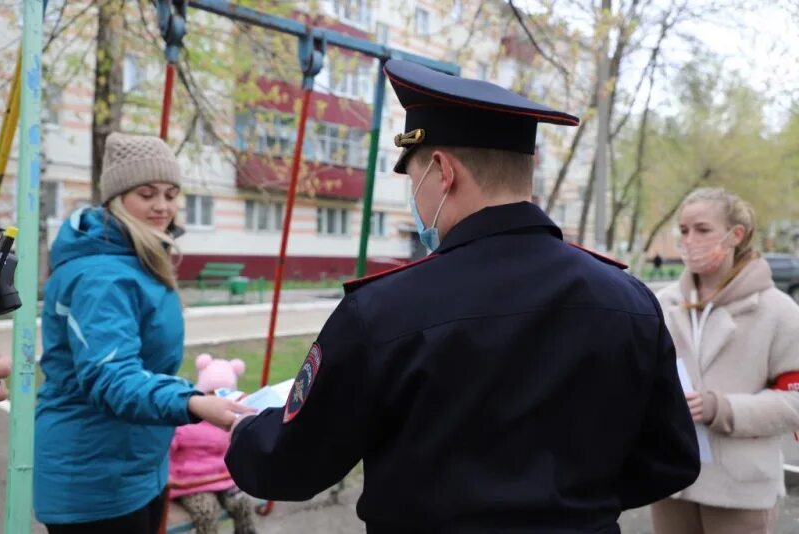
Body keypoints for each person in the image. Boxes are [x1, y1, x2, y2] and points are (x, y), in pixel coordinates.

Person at [226, 60, 700, 533]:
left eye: (413, 179)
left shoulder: (383, 311)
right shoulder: (630, 300)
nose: (415, 195)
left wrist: (243, 429)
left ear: (441, 170)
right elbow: (671, 459)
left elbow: (287, 466)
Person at [34, 133, 252, 534]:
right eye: (147, 193)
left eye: (171, 194)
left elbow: (143, 365)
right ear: (118, 198)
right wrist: (192, 403)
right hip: (94, 476)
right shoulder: (101, 275)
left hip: (136, 461)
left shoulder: (137, 257)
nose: (162, 206)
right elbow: (111, 375)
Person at [651, 187, 799, 534]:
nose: (689, 240)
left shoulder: (779, 311)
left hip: (740, 489)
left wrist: (722, 409)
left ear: (736, 235)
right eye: (684, 231)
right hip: (672, 481)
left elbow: (795, 400)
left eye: (702, 230)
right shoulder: (663, 303)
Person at [169, 354, 257, 534]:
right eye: (211, 394)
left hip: (222, 477)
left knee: (243, 504)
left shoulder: (231, 420)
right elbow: (167, 449)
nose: (216, 402)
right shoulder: (186, 421)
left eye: (223, 394)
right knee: (207, 511)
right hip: (191, 482)